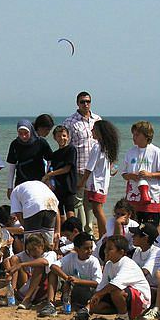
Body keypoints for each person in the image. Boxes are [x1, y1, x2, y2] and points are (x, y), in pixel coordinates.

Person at [73, 235, 151, 320]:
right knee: (96, 305)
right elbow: (101, 287)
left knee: (115, 290)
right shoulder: (109, 264)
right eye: (106, 248)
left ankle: (124, 319)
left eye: (110, 249)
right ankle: (121, 312)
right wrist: (89, 307)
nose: (105, 251)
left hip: (141, 302)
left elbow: (115, 285)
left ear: (121, 252)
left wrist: (98, 295)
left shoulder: (127, 263)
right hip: (123, 298)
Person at [62, 91, 101, 234]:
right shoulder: (70, 122)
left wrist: (110, 164)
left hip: (95, 170)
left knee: (90, 203)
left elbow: (104, 144)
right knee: (77, 202)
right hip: (78, 168)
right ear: (77, 103)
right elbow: (66, 145)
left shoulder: (97, 119)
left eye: (88, 101)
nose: (86, 104)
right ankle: (80, 232)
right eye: (82, 101)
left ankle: (89, 231)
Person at [40, 232, 102, 317]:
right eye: (86, 248)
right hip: (70, 289)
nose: (90, 251)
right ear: (77, 249)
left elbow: (97, 283)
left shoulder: (93, 261)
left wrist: (78, 281)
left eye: (91, 248)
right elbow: (53, 266)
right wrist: (67, 278)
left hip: (86, 292)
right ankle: (50, 304)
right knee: (52, 273)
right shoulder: (71, 257)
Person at [122, 120, 160, 225]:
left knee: (150, 230)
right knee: (134, 228)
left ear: (146, 136)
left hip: (152, 197)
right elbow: (124, 174)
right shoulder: (130, 152)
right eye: (133, 134)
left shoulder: (156, 152)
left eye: (137, 135)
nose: (134, 137)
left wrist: (150, 175)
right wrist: (131, 176)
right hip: (133, 197)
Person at [79, 119, 120, 239]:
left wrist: (82, 182)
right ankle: (103, 234)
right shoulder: (107, 147)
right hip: (102, 184)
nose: (92, 131)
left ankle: (105, 235)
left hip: (96, 184)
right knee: (98, 209)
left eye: (94, 129)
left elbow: (89, 167)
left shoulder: (97, 146)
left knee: (97, 210)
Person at [9, 233, 58, 310]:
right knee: (15, 260)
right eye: (29, 250)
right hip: (27, 286)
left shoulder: (51, 254)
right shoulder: (28, 254)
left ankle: (27, 299)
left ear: (42, 246)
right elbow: (14, 258)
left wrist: (22, 264)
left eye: (34, 249)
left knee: (39, 267)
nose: (32, 253)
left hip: (42, 289)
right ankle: (12, 292)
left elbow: (44, 262)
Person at [6, 120, 53, 197]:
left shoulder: (40, 142)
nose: (23, 136)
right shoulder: (15, 144)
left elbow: (50, 160)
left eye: (26, 133)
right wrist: (9, 187)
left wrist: (48, 178)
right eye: (20, 134)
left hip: (38, 181)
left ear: (31, 131)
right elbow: (12, 167)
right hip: (21, 181)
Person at [9, 180, 61, 246]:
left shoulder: (14, 193)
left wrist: (27, 229)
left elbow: (18, 214)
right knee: (48, 243)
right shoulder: (38, 185)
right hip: (51, 204)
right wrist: (57, 231)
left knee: (32, 244)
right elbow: (56, 208)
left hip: (33, 205)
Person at [45, 125, 77, 221]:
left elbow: (67, 168)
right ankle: (62, 232)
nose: (62, 138)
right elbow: (50, 167)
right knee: (59, 212)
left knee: (70, 210)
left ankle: (72, 229)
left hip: (68, 186)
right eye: (59, 136)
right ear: (55, 138)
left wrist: (50, 174)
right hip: (58, 187)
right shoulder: (55, 154)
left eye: (64, 136)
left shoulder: (71, 149)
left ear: (68, 137)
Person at [129, 223, 160, 303]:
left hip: (155, 289)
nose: (132, 237)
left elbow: (144, 272)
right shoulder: (137, 251)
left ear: (145, 238)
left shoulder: (156, 252)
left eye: (135, 235)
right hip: (142, 286)